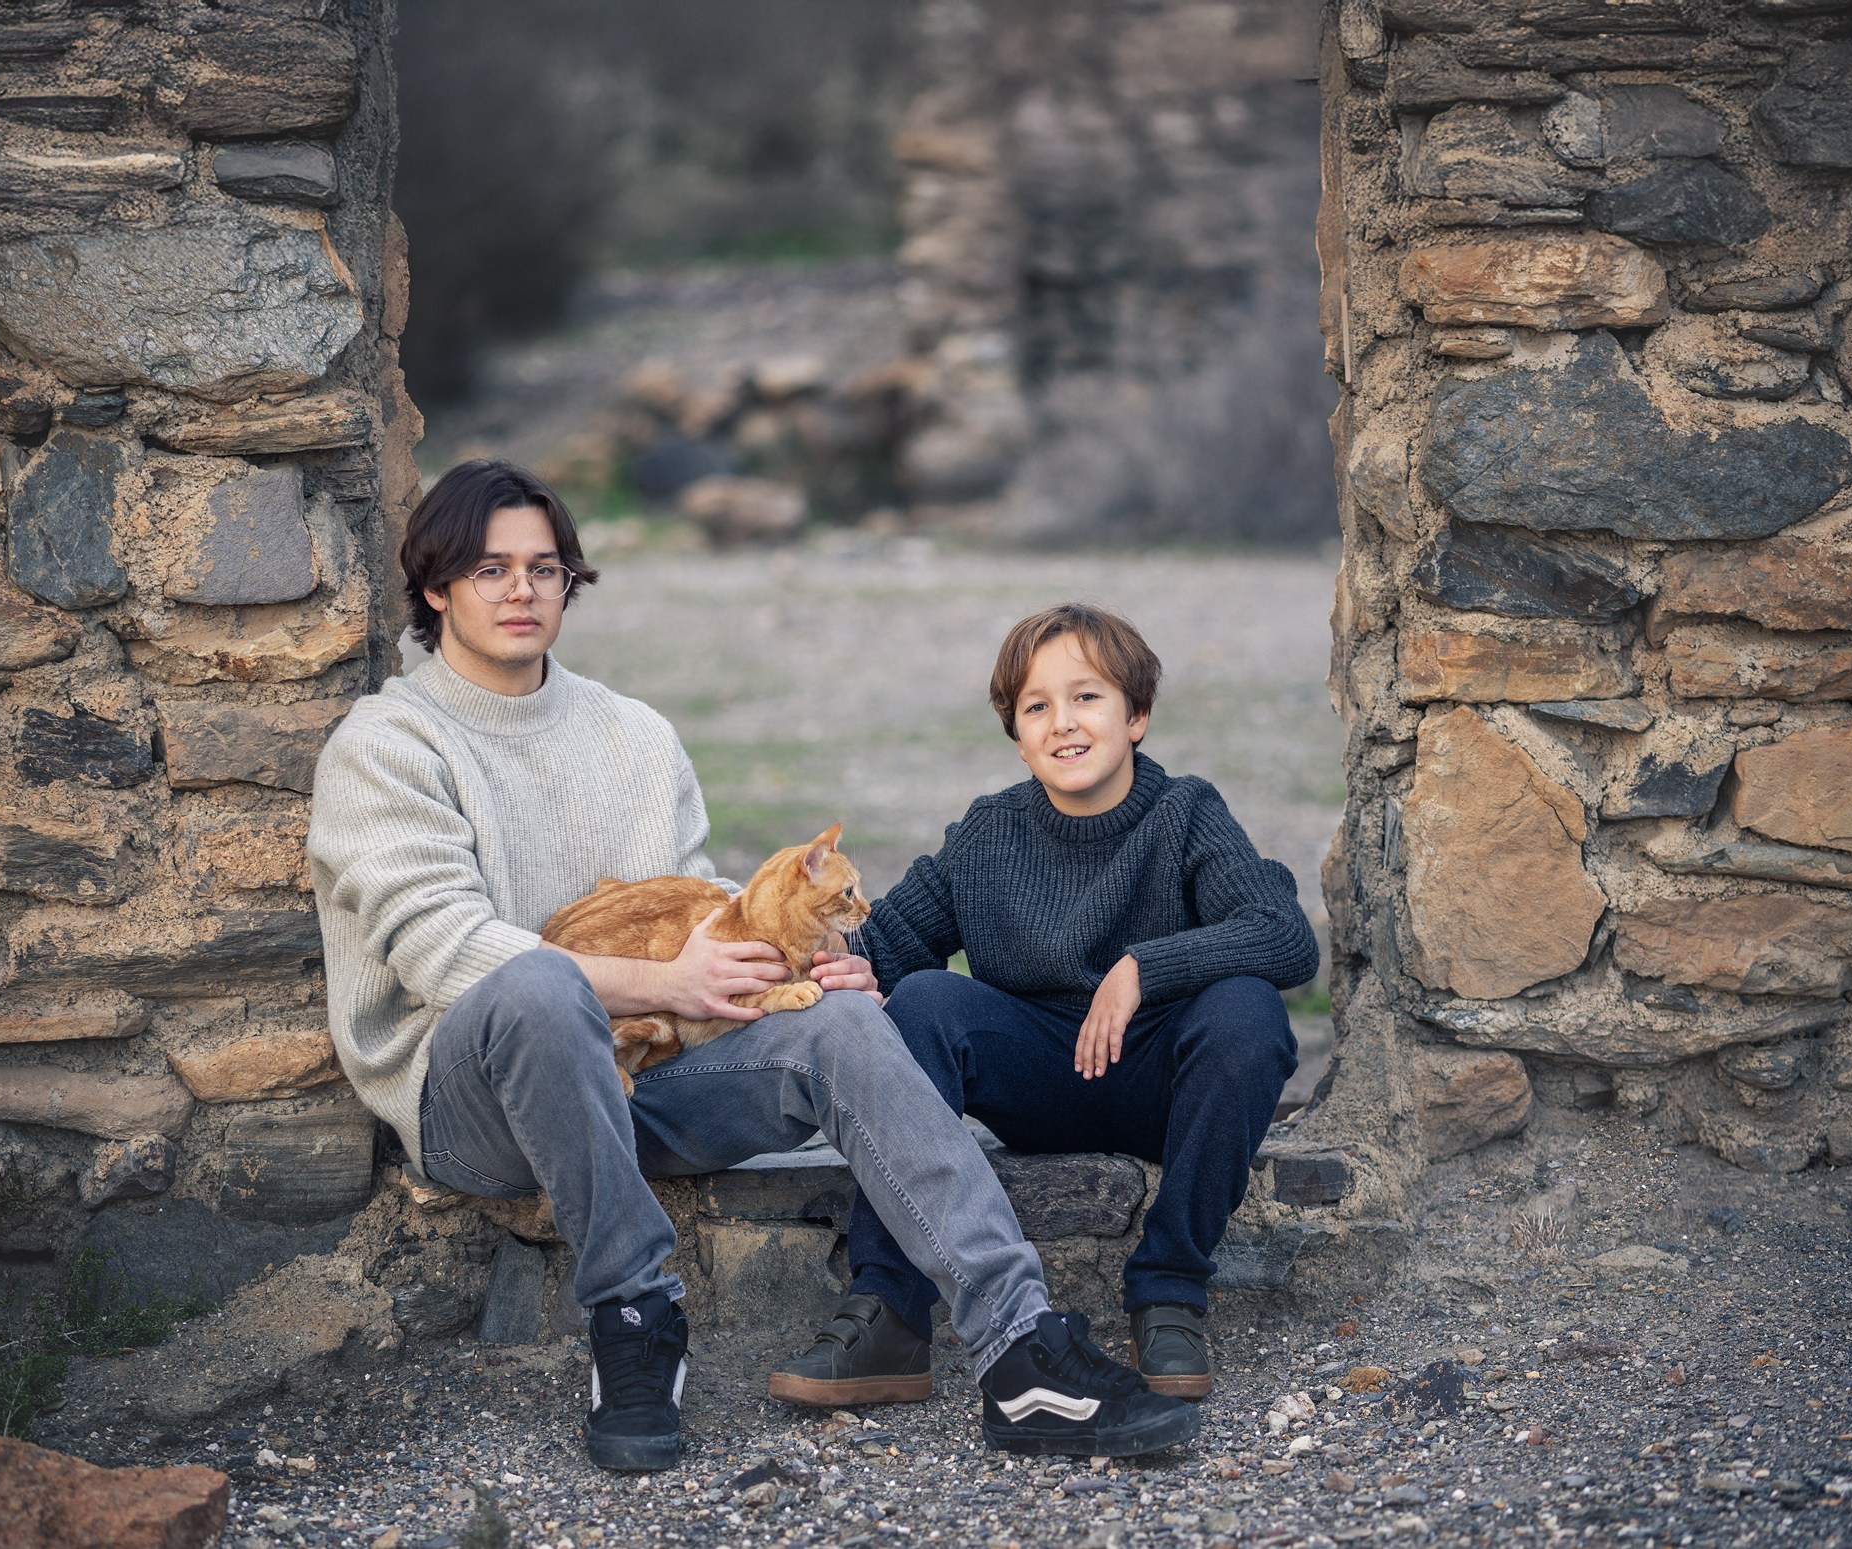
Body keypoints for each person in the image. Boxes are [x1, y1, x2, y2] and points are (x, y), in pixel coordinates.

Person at [306, 463, 1200, 1471]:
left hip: (647, 1076)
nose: (521, 590)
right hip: (477, 1103)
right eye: (488, 568)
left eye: (543, 567)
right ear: (435, 587)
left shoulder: (635, 736)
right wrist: (666, 985)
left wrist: (809, 975)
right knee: (540, 982)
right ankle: (636, 1318)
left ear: (569, 582)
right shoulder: (386, 745)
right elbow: (444, 953)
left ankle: (1019, 1347)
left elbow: (700, 920)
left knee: (848, 1018)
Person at [771, 603, 1317, 1405]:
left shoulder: (1186, 813)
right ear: (1016, 733)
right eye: (1036, 706)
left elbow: (1284, 937)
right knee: (921, 1000)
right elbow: (885, 945)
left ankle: (1169, 1287)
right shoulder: (989, 833)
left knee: (1247, 1012)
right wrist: (837, 962)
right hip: (1036, 1078)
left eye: (1087, 697)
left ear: (1136, 716)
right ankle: (888, 1307)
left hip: (1161, 1081)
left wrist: (1140, 966)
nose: (1063, 723)